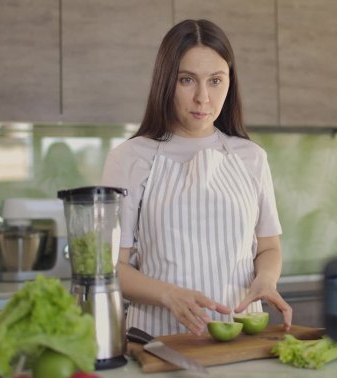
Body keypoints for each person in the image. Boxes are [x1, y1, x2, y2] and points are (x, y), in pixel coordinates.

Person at [101, 19, 292, 336]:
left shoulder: (251, 157)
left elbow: (269, 247)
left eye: (216, 81)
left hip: (240, 339)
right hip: (157, 340)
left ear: (230, 83)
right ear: (166, 82)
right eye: (187, 80)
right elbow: (111, 267)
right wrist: (168, 295)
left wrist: (266, 280)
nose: (203, 97)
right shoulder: (128, 159)